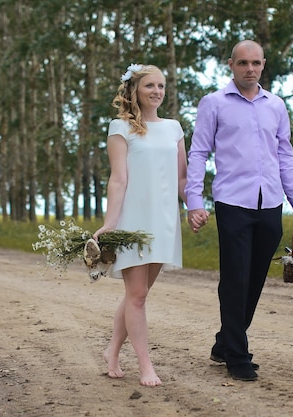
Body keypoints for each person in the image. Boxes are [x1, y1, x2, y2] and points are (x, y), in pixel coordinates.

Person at [185, 40, 293, 382]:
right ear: (231, 64)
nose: (250, 69)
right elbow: (198, 153)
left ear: (263, 64)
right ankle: (237, 356)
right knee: (235, 278)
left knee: (255, 278)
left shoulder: (276, 105)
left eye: (256, 63)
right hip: (233, 202)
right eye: (243, 63)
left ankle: (224, 342)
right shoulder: (213, 103)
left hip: (270, 202)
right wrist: (194, 201)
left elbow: (285, 155)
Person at [93, 64, 187, 387]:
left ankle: (112, 351)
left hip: (164, 221)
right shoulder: (120, 128)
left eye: (161, 86)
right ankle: (145, 365)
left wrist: (198, 207)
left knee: (139, 294)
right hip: (133, 220)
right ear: (135, 89)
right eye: (150, 85)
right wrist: (110, 224)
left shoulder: (174, 128)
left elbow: (182, 178)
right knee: (137, 294)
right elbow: (118, 180)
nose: (157, 91)